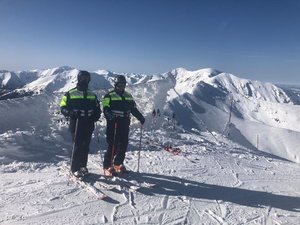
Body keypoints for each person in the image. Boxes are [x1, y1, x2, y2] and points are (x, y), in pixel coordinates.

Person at [60, 70, 101, 178]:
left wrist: (96, 115)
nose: (85, 81)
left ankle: (83, 166)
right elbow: (63, 108)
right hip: (77, 122)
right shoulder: (70, 93)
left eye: (87, 79)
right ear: (79, 79)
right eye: (83, 78)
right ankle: (75, 168)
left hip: (88, 122)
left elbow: (97, 108)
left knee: (85, 146)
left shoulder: (92, 95)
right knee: (77, 145)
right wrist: (71, 113)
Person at [102, 75, 145, 176]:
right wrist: (110, 116)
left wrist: (140, 117)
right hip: (114, 123)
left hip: (124, 122)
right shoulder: (109, 95)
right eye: (119, 84)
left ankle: (118, 164)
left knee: (123, 144)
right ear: (116, 85)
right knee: (113, 144)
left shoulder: (128, 96)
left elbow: (133, 109)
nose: (121, 86)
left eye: (123, 84)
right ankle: (108, 165)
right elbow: (105, 108)